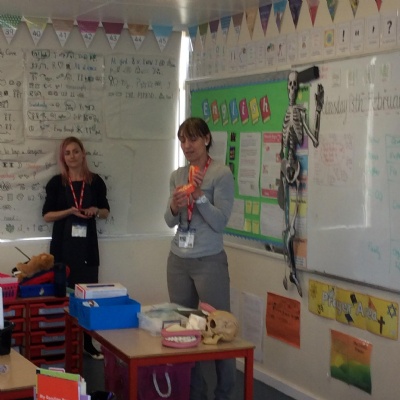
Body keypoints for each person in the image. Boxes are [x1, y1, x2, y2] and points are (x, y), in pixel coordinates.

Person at [164, 117, 236, 400]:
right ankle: (195, 392)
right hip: (178, 260)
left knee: (220, 327)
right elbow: (169, 220)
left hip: (209, 261)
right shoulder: (177, 175)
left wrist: (199, 197)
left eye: (192, 139)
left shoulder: (221, 174)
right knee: (184, 328)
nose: (187, 145)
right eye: (182, 140)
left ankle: (225, 394)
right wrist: (174, 205)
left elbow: (220, 222)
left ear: (206, 139)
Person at [42, 136, 110, 360]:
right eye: (67, 153)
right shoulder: (56, 183)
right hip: (62, 249)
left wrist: (95, 210)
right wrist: (69, 211)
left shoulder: (95, 182)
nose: (72, 156)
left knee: (88, 297)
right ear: (63, 158)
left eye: (75, 151)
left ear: (83, 154)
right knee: (63, 297)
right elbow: (47, 215)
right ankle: (61, 343)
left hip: (87, 249)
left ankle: (87, 344)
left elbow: (106, 211)